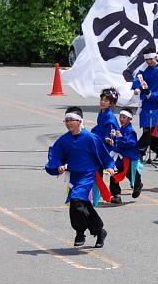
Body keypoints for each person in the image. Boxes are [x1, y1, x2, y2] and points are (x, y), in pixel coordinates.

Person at [45, 106, 114, 248]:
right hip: (74, 176)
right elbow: (55, 156)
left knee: (77, 200)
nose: (68, 123)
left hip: (88, 174)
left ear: (79, 121)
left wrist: (109, 166)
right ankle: (98, 231)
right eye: (66, 120)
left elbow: (104, 154)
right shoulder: (64, 140)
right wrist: (58, 167)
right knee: (79, 204)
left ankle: (81, 232)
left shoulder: (90, 138)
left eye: (71, 120)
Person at [131, 46, 158, 161]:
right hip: (146, 103)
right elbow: (137, 81)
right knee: (147, 129)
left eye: (150, 59)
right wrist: (137, 88)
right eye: (146, 60)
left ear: (156, 57)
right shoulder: (143, 70)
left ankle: (139, 152)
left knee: (151, 130)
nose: (149, 62)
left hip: (157, 103)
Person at [92, 87, 121, 204]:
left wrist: (108, 140)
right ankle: (97, 193)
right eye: (102, 99)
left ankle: (116, 194)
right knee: (98, 170)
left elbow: (111, 133)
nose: (102, 102)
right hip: (100, 144)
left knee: (112, 169)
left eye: (106, 100)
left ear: (111, 103)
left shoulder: (110, 118)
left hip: (109, 146)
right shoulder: (102, 113)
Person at [109, 110, 143, 201]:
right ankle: (116, 195)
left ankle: (138, 185)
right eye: (120, 117)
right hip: (120, 157)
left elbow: (130, 144)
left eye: (124, 117)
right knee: (114, 174)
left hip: (128, 157)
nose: (121, 119)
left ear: (130, 119)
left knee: (131, 174)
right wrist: (112, 140)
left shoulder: (131, 131)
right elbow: (118, 142)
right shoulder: (121, 129)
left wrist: (119, 138)